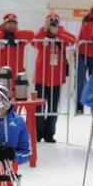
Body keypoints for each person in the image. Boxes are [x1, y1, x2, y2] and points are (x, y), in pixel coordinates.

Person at [32, 11, 76, 143]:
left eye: (55, 21)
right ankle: (38, 133)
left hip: (56, 79)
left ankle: (49, 133)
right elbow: (33, 43)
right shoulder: (41, 35)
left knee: (52, 107)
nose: (52, 24)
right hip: (41, 78)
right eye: (50, 21)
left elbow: (74, 40)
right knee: (39, 107)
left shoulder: (62, 35)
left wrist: (58, 33)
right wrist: (44, 30)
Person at [0, 13, 34, 82]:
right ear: (4, 24)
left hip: (15, 74)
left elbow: (31, 35)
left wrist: (15, 35)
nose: (12, 25)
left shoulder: (20, 38)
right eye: (9, 23)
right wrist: (3, 36)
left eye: (14, 23)